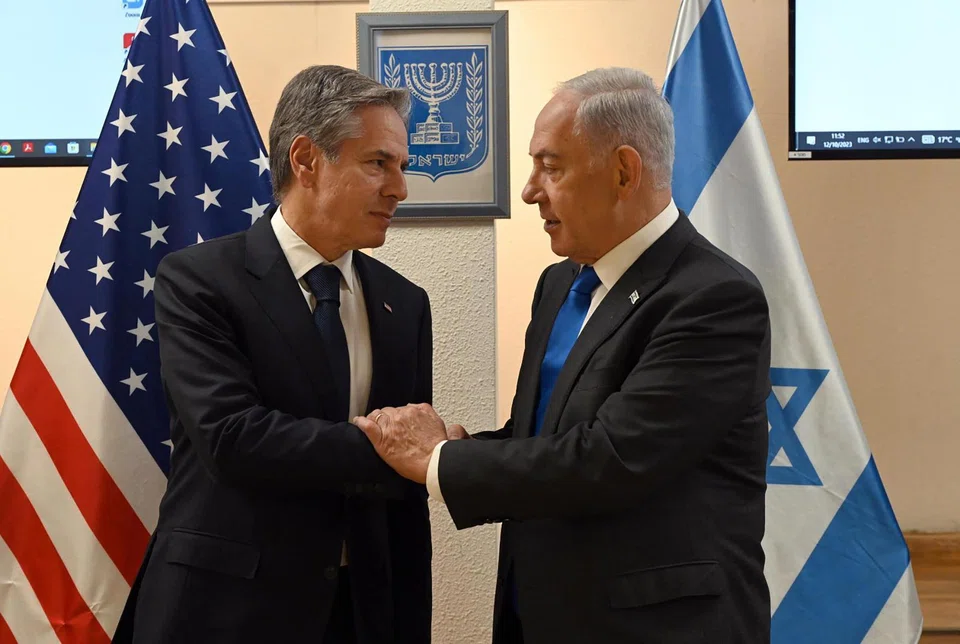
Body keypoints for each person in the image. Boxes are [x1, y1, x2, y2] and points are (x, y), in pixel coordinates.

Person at [355, 67, 772, 644]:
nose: (529, 190)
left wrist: (440, 461)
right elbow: (552, 434)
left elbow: (612, 457)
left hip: (655, 626)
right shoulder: (560, 284)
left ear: (624, 171)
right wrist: (468, 446)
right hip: (540, 613)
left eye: (551, 167)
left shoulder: (713, 298)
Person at [114, 65, 433, 644]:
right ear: (307, 160)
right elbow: (232, 438)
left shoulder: (404, 305)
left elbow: (401, 499)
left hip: (360, 615)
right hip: (223, 612)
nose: (400, 188)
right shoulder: (198, 281)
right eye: (378, 163)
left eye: (402, 167)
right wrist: (397, 448)